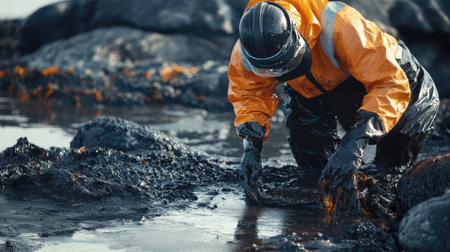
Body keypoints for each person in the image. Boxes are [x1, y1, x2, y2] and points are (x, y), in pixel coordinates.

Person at [227, 0, 440, 213]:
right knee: (312, 171)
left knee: (390, 172)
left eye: (285, 65)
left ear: (296, 35)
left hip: (396, 78)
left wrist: (358, 139)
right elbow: (248, 92)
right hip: (311, 85)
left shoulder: (342, 25)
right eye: (272, 72)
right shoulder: (249, 49)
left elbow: (390, 83)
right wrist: (251, 146)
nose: (279, 76)